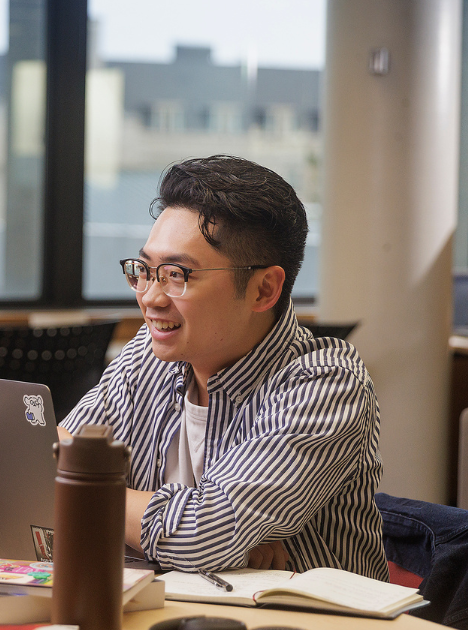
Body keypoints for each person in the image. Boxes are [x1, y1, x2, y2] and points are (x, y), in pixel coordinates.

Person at [58, 155, 387, 580]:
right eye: (144, 271)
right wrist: (210, 531)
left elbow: (198, 534)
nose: (151, 298)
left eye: (177, 275)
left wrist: (78, 491)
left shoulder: (325, 382)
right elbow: (47, 454)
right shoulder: (150, 353)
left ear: (263, 289)